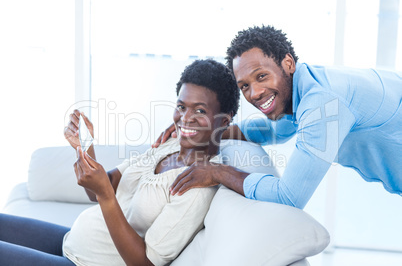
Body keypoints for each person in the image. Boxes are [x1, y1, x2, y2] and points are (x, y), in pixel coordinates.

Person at [0, 59, 240, 266]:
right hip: (72, 242)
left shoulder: (196, 188)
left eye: (199, 111)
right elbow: (97, 192)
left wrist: (106, 196)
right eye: (181, 106)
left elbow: (144, 263)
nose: (185, 118)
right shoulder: (170, 144)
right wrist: (84, 147)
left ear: (223, 120)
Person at [155, 25, 402, 210]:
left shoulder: (323, 103)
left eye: (261, 76)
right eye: (244, 86)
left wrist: (218, 172)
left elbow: (290, 197)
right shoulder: (305, 88)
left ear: (288, 63)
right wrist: (205, 128)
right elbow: (274, 130)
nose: (255, 93)